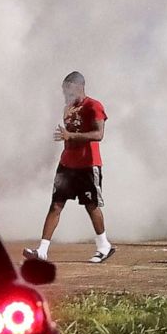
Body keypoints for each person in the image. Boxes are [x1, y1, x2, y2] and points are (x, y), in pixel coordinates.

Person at [24, 71, 115, 263]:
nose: (65, 92)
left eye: (67, 88)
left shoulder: (94, 106)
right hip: (67, 164)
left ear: (77, 86)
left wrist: (71, 136)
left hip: (88, 165)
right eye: (63, 89)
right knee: (56, 204)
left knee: (91, 205)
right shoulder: (68, 108)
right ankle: (42, 250)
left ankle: (104, 245)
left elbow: (99, 135)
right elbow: (67, 134)